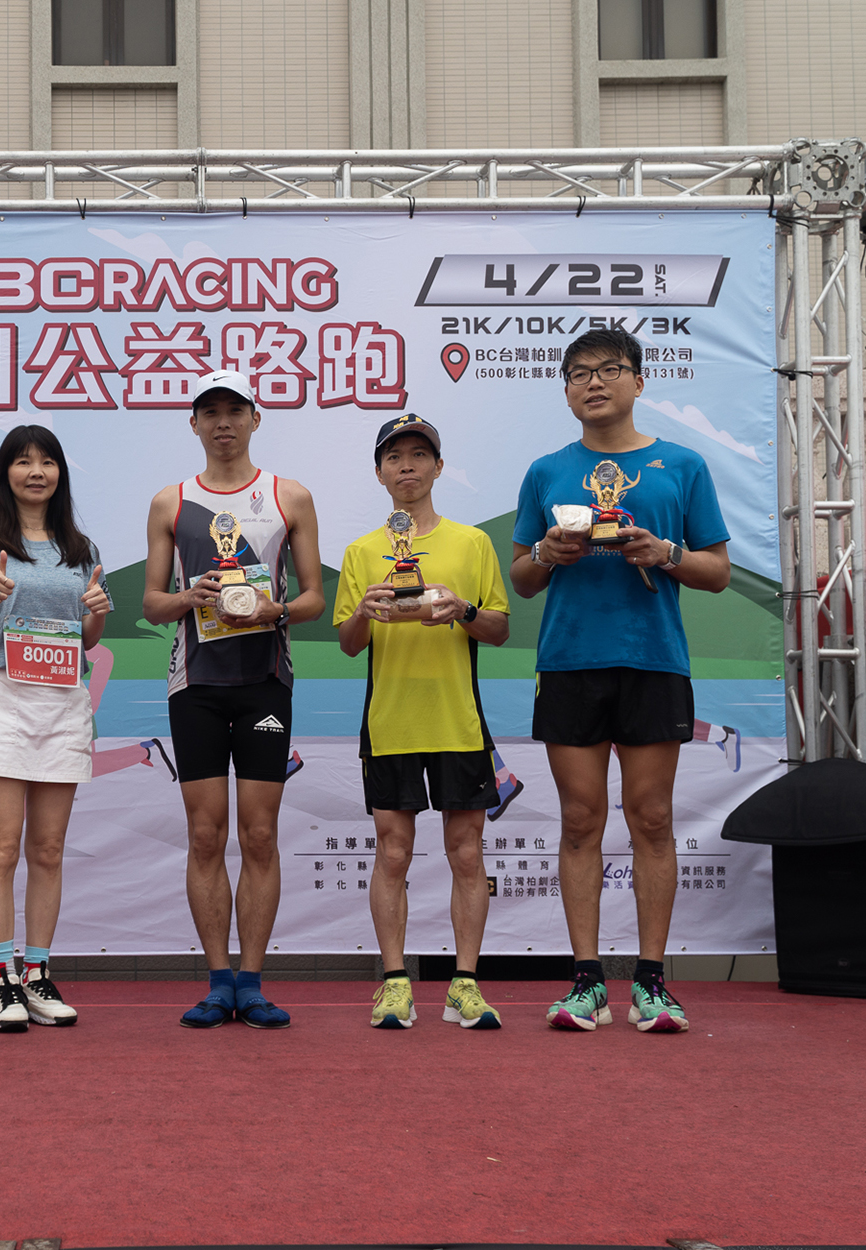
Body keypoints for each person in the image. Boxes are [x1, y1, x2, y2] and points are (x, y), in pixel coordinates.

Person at [508, 329, 731, 1034]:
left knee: (652, 818)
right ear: (566, 391)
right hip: (569, 661)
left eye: (610, 369)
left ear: (638, 380)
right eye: (579, 374)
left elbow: (718, 573)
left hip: (652, 659)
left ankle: (652, 982)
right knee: (580, 820)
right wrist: (549, 551)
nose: (594, 383)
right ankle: (586, 982)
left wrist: (665, 552)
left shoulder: (682, 465)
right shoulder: (546, 471)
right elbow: (522, 579)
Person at [142, 369, 325, 1029]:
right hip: (195, 684)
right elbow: (153, 603)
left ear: (255, 418)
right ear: (193, 423)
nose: (223, 423)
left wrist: (275, 610)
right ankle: (218, 981)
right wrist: (188, 598)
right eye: (210, 412)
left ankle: (252, 980)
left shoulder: (288, 496)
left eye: (235, 410)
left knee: (260, 834)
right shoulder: (170, 501)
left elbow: (314, 598)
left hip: (264, 681)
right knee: (204, 834)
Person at [334, 414, 511, 1031]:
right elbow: (349, 644)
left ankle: (464, 984)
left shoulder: (473, 543)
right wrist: (364, 610)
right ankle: (394, 984)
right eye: (394, 457)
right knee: (393, 852)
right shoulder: (361, 552)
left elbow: (499, 628)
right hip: (391, 722)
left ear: (438, 466)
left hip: (458, 720)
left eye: (418, 455)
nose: (406, 466)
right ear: (379, 473)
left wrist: (463, 609)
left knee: (466, 851)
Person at [0, 425, 112, 1032]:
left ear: (60, 473)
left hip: (63, 702)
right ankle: (2, 979)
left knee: (48, 849)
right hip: (1, 699)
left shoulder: (82, 547)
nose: (35, 471)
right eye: (22, 461)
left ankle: (38, 973)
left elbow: (87, 639)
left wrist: (96, 614)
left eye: (46, 461)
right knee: (3, 847)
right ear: (6, 473)